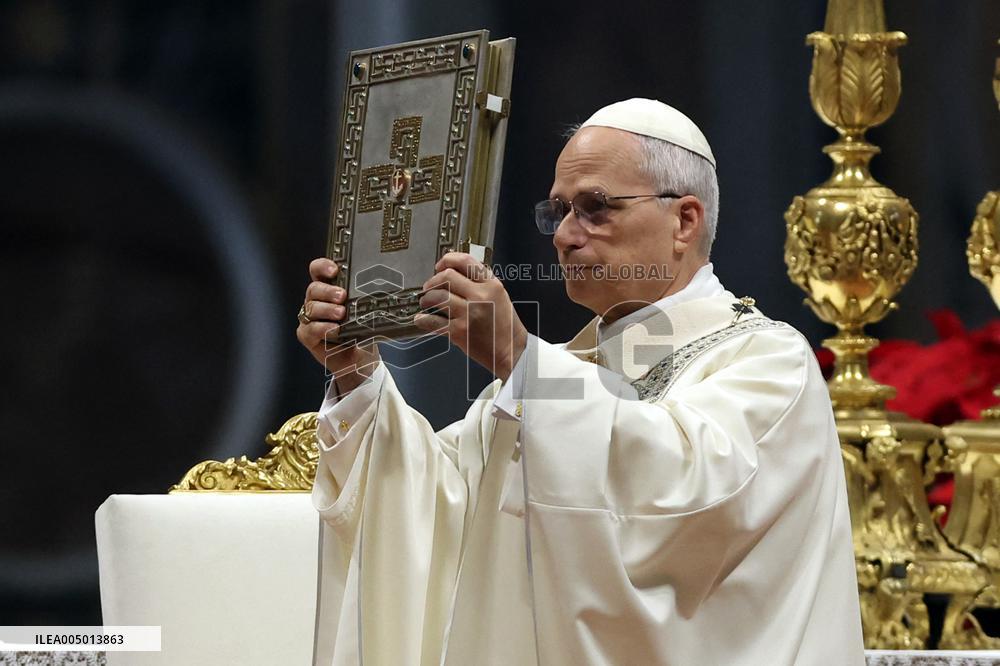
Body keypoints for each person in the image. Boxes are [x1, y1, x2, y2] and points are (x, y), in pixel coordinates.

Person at [297, 98, 865, 665]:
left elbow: (687, 498)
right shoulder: (554, 372)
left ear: (684, 222)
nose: (565, 236)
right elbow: (441, 514)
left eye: (595, 208)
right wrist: (359, 372)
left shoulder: (767, 361)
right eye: (557, 211)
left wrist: (518, 355)